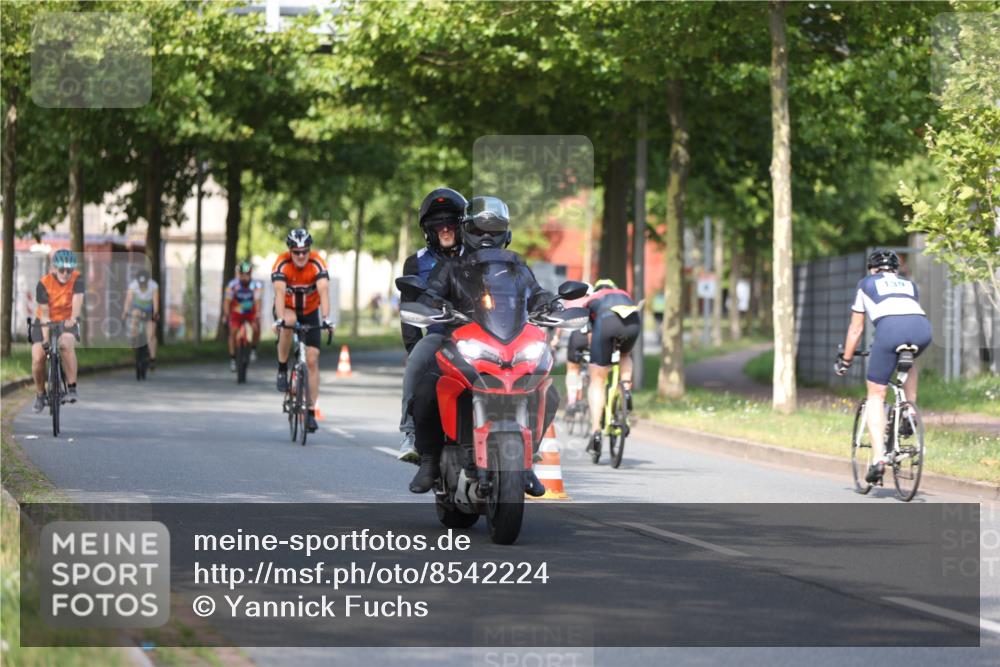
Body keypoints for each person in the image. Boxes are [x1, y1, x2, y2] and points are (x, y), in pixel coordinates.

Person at [407, 195, 560, 497]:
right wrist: (433, 303)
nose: (487, 237)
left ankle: (526, 463)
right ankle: (428, 461)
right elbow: (431, 294)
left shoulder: (516, 266)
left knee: (550, 392)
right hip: (462, 340)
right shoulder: (451, 267)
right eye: (480, 230)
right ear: (467, 230)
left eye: (494, 230)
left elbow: (536, 292)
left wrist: (551, 305)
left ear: (506, 233)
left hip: (508, 341)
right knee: (426, 388)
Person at [836, 250, 932, 484]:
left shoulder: (865, 284)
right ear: (896, 270)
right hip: (922, 329)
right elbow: (906, 314)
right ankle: (910, 410)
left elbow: (856, 329)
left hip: (890, 331)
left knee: (876, 395)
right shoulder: (910, 285)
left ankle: (878, 458)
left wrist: (845, 360)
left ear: (872, 269)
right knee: (910, 358)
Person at [397, 187, 467, 464]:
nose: (445, 230)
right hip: (438, 336)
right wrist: (414, 346)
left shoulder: (476, 255)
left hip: (478, 335)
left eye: (451, 223)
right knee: (415, 363)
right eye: (438, 225)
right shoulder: (415, 262)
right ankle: (409, 433)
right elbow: (408, 308)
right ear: (429, 230)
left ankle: (517, 441)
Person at [272, 229, 334, 433]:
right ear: (290, 251)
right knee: (288, 322)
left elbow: (324, 290)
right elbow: (280, 292)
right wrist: (280, 319)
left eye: (304, 252)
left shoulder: (317, 263)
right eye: (296, 252)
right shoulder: (282, 263)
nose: (300, 256)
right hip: (287, 308)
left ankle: (309, 412)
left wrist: (326, 318)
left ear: (309, 250)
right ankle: (282, 368)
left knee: (313, 360)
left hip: (310, 311)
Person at [583, 278, 640, 460]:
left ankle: (596, 432)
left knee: (598, 380)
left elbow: (591, 337)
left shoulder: (591, 299)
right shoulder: (624, 294)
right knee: (625, 355)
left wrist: (596, 358)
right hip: (633, 321)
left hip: (606, 321)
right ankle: (625, 387)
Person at [31, 250, 84, 412]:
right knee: (38, 356)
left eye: (69, 270)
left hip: (66, 320)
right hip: (45, 320)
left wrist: (73, 318)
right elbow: (45, 314)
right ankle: (40, 394)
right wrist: (46, 341)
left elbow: (77, 301)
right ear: (54, 268)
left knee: (66, 344)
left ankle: (72, 386)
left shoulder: (77, 279)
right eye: (62, 270)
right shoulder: (44, 283)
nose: (66, 274)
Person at [223, 260, 262, 371]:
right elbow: (227, 302)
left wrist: (258, 313)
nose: (245, 277)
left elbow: (258, 301)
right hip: (236, 313)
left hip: (250, 313)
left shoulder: (256, 285)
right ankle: (233, 359)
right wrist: (226, 314)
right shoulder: (232, 285)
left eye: (247, 275)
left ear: (251, 274)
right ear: (239, 274)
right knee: (233, 332)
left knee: (256, 328)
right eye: (242, 275)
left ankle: (253, 348)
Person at [122, 268, 159, 369]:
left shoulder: (153, 285)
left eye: (144, 283)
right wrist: (125, 312)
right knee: (134, 316)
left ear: (148, 281)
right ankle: (134, 340)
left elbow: (155, 301)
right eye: (140, 283)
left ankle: (152, 358)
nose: (142, 285)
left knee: (151, 334)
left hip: (149, 309)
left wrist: (155, 313)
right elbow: (128, 300)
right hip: (137, 308)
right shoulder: (133, 285)